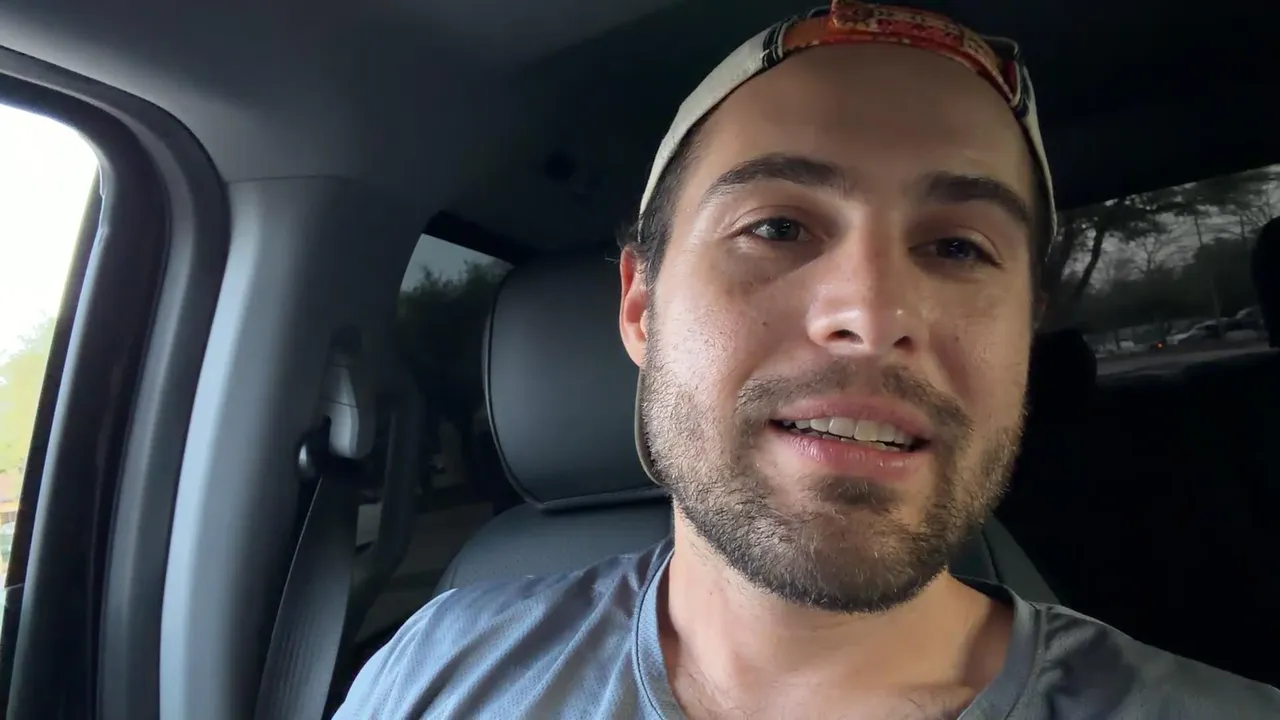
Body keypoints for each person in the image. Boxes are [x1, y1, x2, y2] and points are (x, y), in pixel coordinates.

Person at [336, 2, 1280, 717]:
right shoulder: (435, 668)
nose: (871, 316)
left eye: (958, 248)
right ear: (641, 307)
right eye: (777, 227)